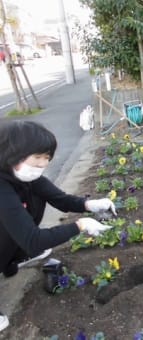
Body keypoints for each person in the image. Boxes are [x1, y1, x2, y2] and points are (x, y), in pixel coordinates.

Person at [0, 121, 116, 331]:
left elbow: (60, 199)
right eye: (37, 157)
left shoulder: (27, 178)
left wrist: (90, 205)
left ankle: (17, 254)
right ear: (13, 154)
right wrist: (79, 226)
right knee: (23, 235)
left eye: (47, 157)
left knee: (33, 201)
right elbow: (34, 240)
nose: (43, 164)